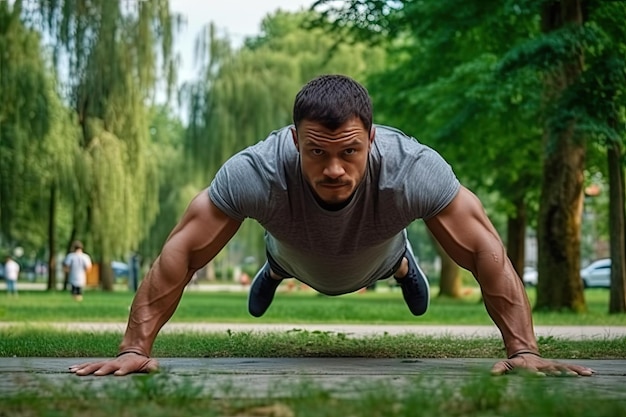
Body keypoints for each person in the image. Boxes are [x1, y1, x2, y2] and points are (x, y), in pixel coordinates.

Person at [70, 74, 595, 377]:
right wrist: (135, 349)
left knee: (389, 254)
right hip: (294, 251)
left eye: (349, 151)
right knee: (281, 256)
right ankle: (272, 270)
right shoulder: (256, 171)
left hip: (378, 252)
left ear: (372, 137)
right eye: (317, 153)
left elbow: (486, 251)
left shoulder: (413, 169)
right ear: (296, 141)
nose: (334, 169)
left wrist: (523, 350)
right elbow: (180, 252)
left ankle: (402, 263)